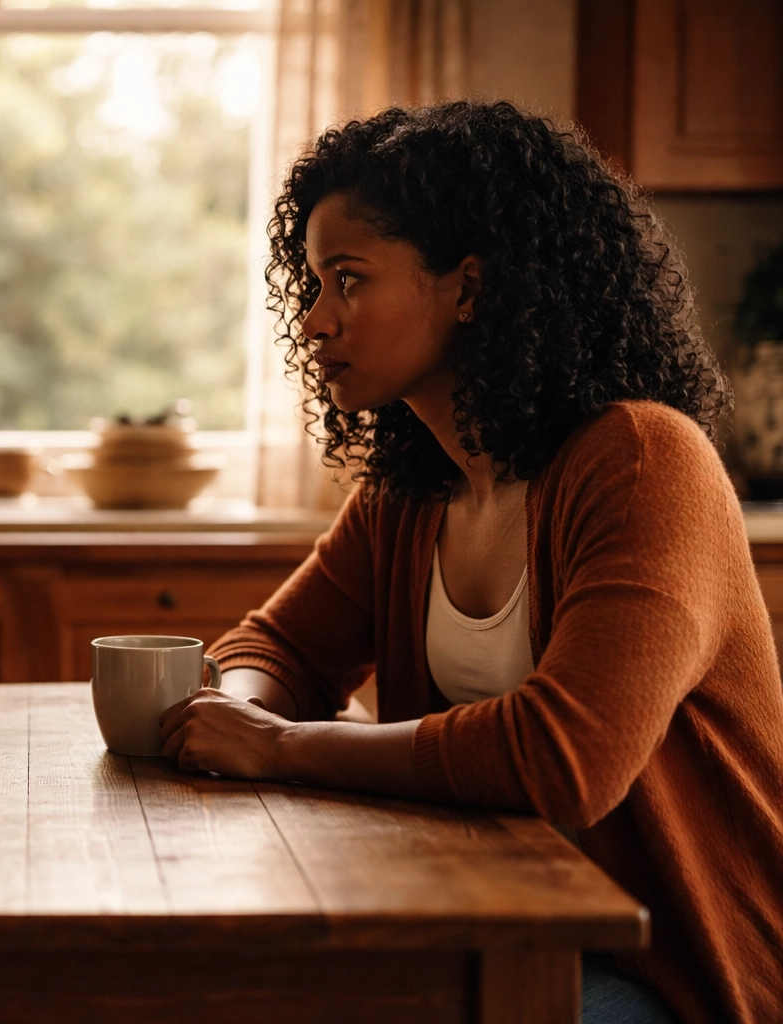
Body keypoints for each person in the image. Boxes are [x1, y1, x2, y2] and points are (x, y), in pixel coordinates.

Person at [161, 101, 783, 1024]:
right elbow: (280, 649)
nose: (315, 320)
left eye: (348, 280)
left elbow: (567, 758)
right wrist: (237, 713)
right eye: (313, 284)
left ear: (469, 287)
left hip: (676, 973)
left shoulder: (644, 462)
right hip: (494, 919)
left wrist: (283, 747)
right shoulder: (413, 488)